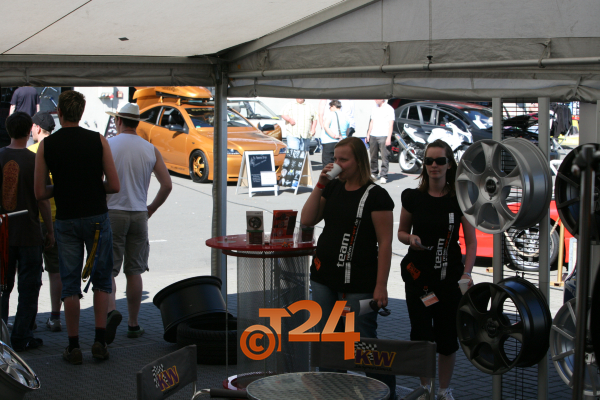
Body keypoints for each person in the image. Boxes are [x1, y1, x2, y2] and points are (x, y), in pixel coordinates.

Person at [300, 136, 397, 400]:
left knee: (364, 342)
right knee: (327, 340)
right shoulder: (332, 187)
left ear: (359, 162)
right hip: (324, 278)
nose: (337, 164)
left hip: (360, 282)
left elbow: (385, 243)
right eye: (335, 159)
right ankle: (333, 394)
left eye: (344, 159)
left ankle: (387, 394)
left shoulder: (376, 195)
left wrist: (381, 286)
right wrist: (320, 184)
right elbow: (307, 219)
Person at [34, 90, 120, 365]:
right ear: (81, 113)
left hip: (66, 219)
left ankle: (73, 346)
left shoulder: (47, 146)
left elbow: (40, 192)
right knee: (101, 281)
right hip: (96, 217)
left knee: (70, 283)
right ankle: (99, 341)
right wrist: (91, 185)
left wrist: (62, 187)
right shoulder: (98, 140)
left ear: (59, 112)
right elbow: (114, 185)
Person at [397, 139, 477, 400]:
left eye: (440, 161)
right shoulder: (413, 197)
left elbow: (471, 241)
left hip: (448, 281)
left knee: (447, 338)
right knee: (422, 336)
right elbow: (401, 232)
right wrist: (410, 239)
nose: (434, 165)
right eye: (429, 161)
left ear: (449, 164)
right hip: (418, 279)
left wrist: (467, 273)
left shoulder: (459, 200)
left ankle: (443, 389)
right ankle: (426, 389)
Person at [104, 103, 172, 344]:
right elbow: (167, 185)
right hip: (139, 214)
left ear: (119, 121)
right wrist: (151, 208)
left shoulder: (108, 145)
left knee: (109, 269)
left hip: (113, 212)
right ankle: (133, 324)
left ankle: (111, 312)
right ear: (137, 123)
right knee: (134, 271)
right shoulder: (150, 149)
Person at [0, 111, 53, 351]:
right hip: (30, 233)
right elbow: (43, 200)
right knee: (29, 288)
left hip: (3, 234)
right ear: (28, 131)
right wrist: (49, 230)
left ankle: (2, 336)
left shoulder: (0, 156)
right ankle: (22, 336)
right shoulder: (35, 161)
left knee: (2, 288)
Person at [27, 111, 63, 332]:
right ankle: (55, 317)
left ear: (38, 128)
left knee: (30, 271)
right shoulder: (60, 151)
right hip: (58, 219)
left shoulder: (30, 152)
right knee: (56, 271)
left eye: (32, 127)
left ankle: (29, 318)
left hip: (33, 221)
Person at [366, 99, 395, 184]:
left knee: (384, 156)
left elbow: (391, 124)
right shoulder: (374, 108)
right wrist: (368, 134)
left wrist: (389, 137)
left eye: (377, 98)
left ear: (382, 99)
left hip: (384, 135)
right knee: (373, 156)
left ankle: (383, 175)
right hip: (373, 135)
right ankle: (374, 173)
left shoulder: (389, 108)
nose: (375, 100)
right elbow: (372, 122)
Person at [321, 100, 350, 166]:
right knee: (340, 163)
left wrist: (334, 136)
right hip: (342, 142)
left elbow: (326, 126)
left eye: (330, 107)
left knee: (328, 164)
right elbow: (347, 131)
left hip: (329, 142)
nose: (329, 109)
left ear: (333, 106)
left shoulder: (330, 114)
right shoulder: (346, 116)